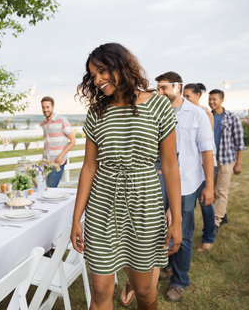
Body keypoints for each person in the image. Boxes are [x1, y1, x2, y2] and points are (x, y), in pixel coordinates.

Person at [71, 43, 182, 310]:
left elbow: (169, 166)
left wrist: (177, 219)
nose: (97, 80)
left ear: (121, 66)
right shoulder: (97, 111)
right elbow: (89, 167)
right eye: (93, 75)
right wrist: (76, 218)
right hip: (102, 203)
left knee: (144, 291)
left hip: (145, 202)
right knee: (100, 291)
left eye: (102, 71)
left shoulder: (157, 105)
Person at [156, 72, 214, 302]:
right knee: (162, 227)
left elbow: (207, 151)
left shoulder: (197, 114)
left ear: (177, 88)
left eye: (164, 88)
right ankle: (167, 265)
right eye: (157, 89)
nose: (160, 93)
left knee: (184, 233)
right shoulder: (156, 114)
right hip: (160, 181)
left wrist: (209, 185)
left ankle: (180, 281)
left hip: (188, 183)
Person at [182, 83, 216, 252]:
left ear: (197, 95)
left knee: (205, 203)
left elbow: (205, 146)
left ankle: (209, 236)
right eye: (184, 96)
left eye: (188, 96)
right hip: (189, 168)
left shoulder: (204, 113)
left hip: (204, 166)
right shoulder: (182, 113)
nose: (185, 99)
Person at [209, 89, 245, 233]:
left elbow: (239, 142)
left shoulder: (232, 117)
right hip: (210, 161)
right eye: (210, 99)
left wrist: (239, 163)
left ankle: (215, 222)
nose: (211, 102)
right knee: (210, 192)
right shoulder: (206, 116)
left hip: (226, 160)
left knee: (221, 191)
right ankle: (222, 214)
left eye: (214, 99)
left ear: (222, 100)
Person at [40, 96, 76, 187]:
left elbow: (72, 141)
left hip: (57, 162)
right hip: (46, 163)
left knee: (51, 188)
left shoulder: (62, 121)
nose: (45, 109)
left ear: (53, 107)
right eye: (43, 107)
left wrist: (60, 156)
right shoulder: (44, 124)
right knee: (44, 189)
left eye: (47, 107)